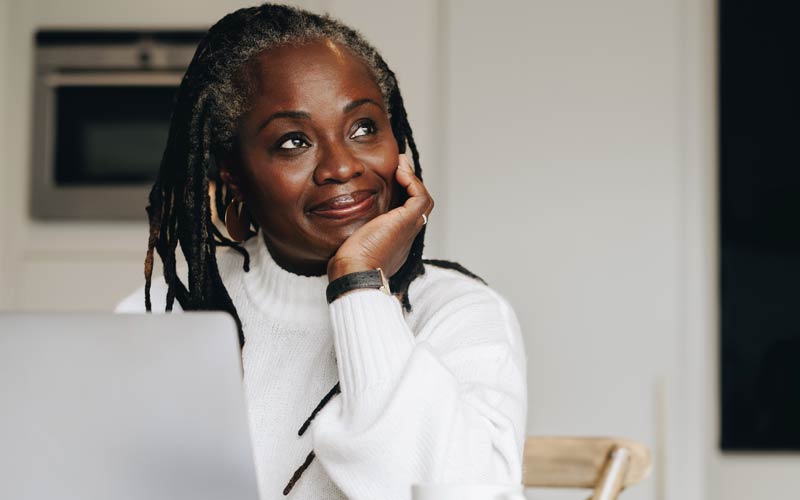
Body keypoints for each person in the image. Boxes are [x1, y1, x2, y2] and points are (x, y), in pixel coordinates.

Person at [117, 4, 527, 499]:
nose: (340, 166)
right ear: (232, 172)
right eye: (293, 141)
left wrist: (357, 284)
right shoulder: (162, 313)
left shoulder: (459, 315)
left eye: (363, 129)